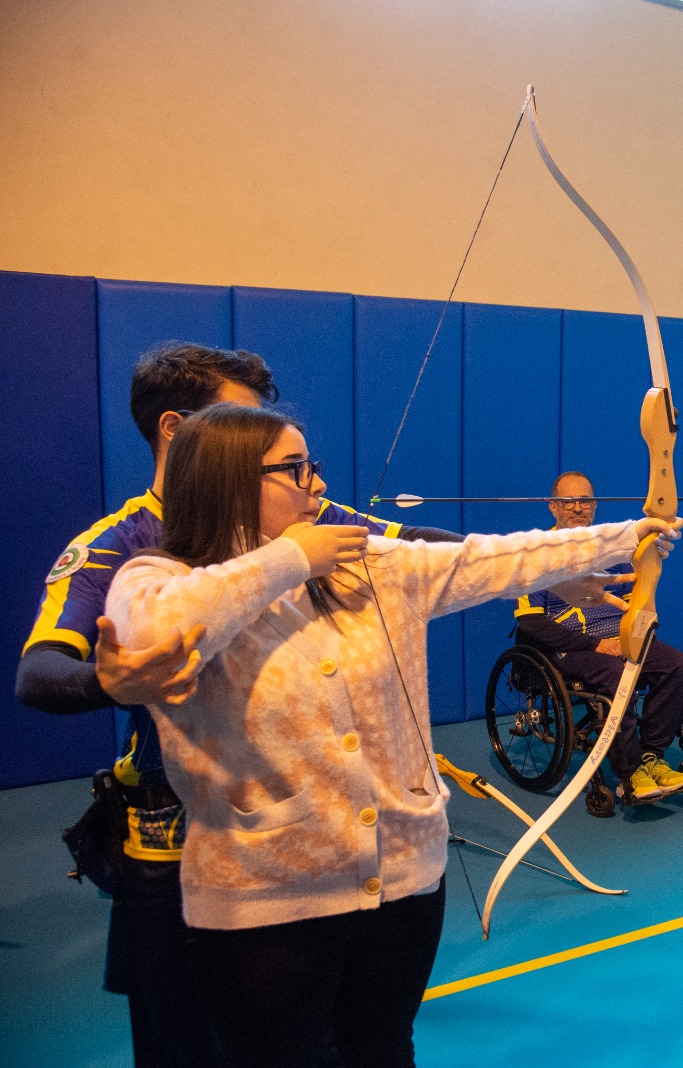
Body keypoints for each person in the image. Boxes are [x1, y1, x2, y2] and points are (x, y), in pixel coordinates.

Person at [104, 404, 679, 1068]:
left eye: (313, 465)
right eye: (294, 469)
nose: (317, 483)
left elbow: (492, 561)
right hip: (263, 904)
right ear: (230, 479)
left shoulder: (370, 563)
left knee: (382, 1048)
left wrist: (633, 534)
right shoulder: (156, 577)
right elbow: (150, 636)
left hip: (403, 884)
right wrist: (289, 559)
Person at [14, 342, 458, 1068]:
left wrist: (552, 568)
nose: (277, 449)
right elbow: (39, 674)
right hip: (180, 830)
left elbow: (426, 552)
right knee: (187, 1043)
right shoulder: (120, 545)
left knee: (351, 1037)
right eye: (243, 423)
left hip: (303, 831)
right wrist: (111, 682)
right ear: (177, 430)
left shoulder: (305, 519)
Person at [513, 470, 683, 802]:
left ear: (594, 506)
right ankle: (628, 773)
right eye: (568, 501)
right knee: (614, 674)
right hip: (569, 649)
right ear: (552, 507)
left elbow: (633, 606)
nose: (577, 508)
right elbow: (531, 624)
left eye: (584, 500)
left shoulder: (612, 552)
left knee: (676, 665)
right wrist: (595, 644)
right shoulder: (536, 554)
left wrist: (637, 635)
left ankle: (650, 755)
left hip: (618, 641)